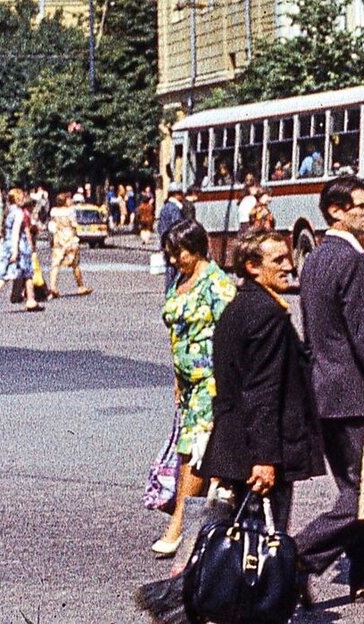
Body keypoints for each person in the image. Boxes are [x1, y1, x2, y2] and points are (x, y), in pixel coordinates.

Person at [295, 176, 364, 604]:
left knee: (354, 487)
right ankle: (296, 556)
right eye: (358, 206)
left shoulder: (317, 259)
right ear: (336, 211)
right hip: (354, 394)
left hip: (324, 392)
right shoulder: (352, 262)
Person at [202, 230, 324, 530]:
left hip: (235, 444)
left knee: (241, 540)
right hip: (256, 451)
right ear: (252, 267)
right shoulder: (267, 313)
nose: (288, 266)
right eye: (278, 260)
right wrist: (265, 459)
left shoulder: (240, 306)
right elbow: (262, 391)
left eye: (287, 258)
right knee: (261, 545)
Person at [152, 219, 235, 557]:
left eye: (179, 254)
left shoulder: (218, 285)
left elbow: (231, 336)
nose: (174, 261)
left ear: (197, 248)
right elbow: (177, 334)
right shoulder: (182, 280)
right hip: (187, 385)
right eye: (170, 255)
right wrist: (176, 377)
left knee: (192, 453)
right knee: (194, 452)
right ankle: (196, 523)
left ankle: (178, 526)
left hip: (211, 382)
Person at [0, 188, 42, 313]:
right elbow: (16, 231)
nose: (24, 199)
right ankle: (30, 301)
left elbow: (5, 232)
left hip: (6, 245)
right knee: (25, 272)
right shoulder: (19, 213)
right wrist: (15, 250)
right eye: (21, 197)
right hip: (19, 246)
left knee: (5, 273)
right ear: (17, 199)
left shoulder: (8, 212)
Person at [47, 192, 92, 298]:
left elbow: (53, 225)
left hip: (58, 238)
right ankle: (80, 286)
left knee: (55, 264)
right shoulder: (70, 211)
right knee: (75, 264)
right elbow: (74, 224)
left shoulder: (53, 211)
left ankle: (53, 287)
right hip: (70, 239)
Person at [157, 183, 186, 291]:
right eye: (181, 194)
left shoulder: (165, 207)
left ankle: (169, 292)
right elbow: (177, 227)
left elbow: (160, 227)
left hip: (166, 243)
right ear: (176, 194)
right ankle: (173, 292)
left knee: (169, 268)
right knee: (176, 270)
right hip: (174, 243)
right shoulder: (174, 209)